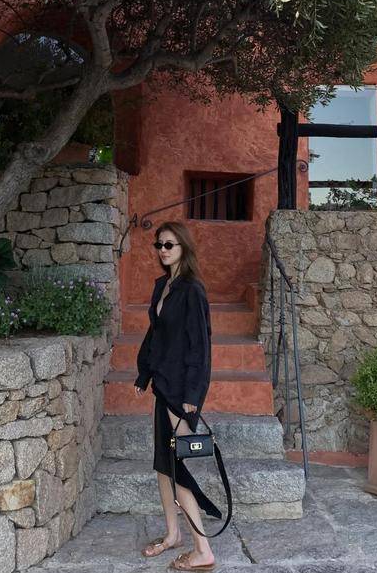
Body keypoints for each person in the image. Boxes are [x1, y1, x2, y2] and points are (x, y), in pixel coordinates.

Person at [134, 220, 218, 572]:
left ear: (184, 247)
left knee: (176, 468)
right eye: (159, 245)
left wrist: (192, 396)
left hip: (181, 392)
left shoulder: (191, 290)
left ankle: (203, 550)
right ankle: (173, 534)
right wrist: (144, 373)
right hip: (163, 384)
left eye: (169, 244)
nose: (163, 250)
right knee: (163, 465)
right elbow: (156, 335)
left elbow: (200, 346)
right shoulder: (163, 285)